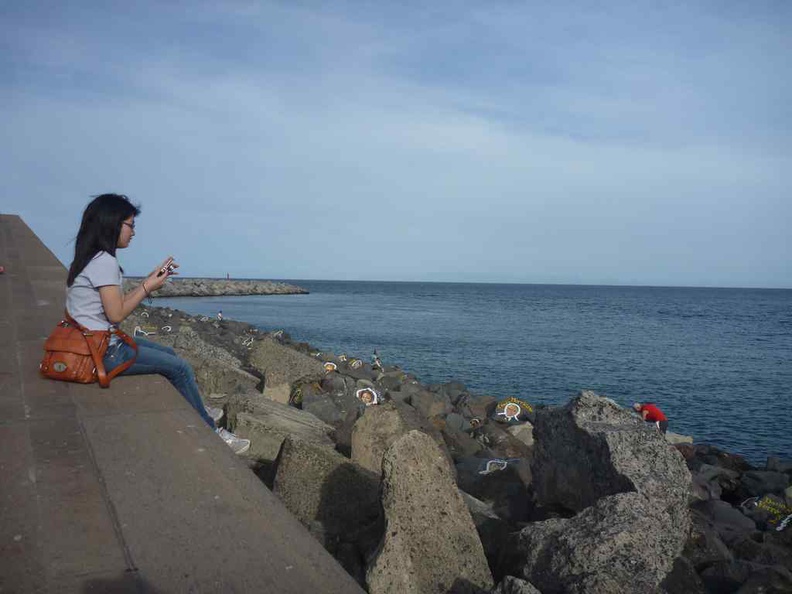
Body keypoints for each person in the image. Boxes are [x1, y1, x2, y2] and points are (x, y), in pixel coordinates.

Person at [65, 193, 250, 454]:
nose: (133, 232)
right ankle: (214, 433)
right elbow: (116, 315)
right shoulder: (104, 262)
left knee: (170, 353)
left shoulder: (88, 258)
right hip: (102, 352)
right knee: (181, 368)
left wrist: (149, 281)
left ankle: (195, 401)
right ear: (112, 224)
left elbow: (109, 308)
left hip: (92, 342)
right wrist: (146, 287)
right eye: (131, 225)